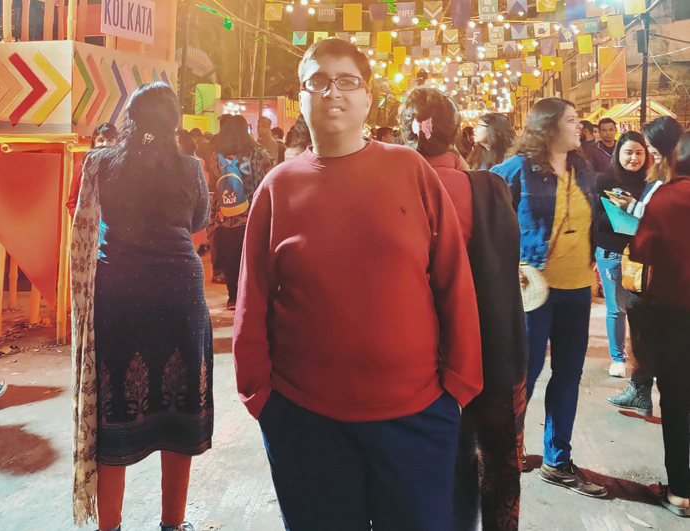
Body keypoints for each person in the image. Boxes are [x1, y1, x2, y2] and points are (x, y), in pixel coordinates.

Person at [233, 38, 483, 531]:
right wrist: (259, 396)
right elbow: (252, 296)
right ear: (301, 98)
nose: (332, 93)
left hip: (417, 416)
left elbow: (454, 279)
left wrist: (457, 387)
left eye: (347, 81)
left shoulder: (410, 170)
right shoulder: (278, 187)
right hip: (305, 420)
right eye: (317, 82)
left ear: (368, 97)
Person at [70, 83, 213, 531]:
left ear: (129, 116)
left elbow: (85, 219)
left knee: (114, 408)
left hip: (120, 296)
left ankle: (108, 526)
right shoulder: (191, 169)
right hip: (179, 295)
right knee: (180, 405)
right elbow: (198, 221)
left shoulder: (99, 162)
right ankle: (173, 524)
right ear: (173, 123)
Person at [402, 88, 528, 531]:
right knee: (496, 468)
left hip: (425, 358)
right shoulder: (490, 188)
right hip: (493, 348)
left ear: (406, 133)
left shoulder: (399, 193)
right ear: (457, 134)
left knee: (439, 466)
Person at [492, 97, 607, 498]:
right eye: (572, 121)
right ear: (549, 128)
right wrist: (508, 267)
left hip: (577, 289)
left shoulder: (584, 169)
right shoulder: (515, 170)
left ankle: (557, 460)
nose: (581, 127)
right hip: (534, 292)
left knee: (569, 375)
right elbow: (487, 218)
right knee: (525, 375)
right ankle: (508, 451)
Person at [626, 132, 690, 517]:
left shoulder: (667, 197)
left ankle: (681, 492)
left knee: (679, 401)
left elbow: (642, 249)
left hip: (675, 314)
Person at [606, 116, 685, 415]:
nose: (644, 154)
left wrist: (630, 210)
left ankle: (642, 392)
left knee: (648, 335)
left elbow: (646, 233)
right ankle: (640, 390)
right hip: (666, 282)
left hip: (660, 281)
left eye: (649, 148)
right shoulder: (663, 181)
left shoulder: (667, 186)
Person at [593, 131, 651, 378]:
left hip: (644, 256)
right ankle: (618, 357)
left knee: (643, 309)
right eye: (628, 152)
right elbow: (595, 219)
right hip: (613, 252)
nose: (634, 158)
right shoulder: (604, 180)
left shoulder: (651, 182)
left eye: (639, 152)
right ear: (618, 153)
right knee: (617, 308)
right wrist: (623, 215)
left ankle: (644, 360)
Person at [209, 114, 272, 310]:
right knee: (253, 255)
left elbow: (215, 182)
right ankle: (251, 295)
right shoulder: (259, 152)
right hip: (252, 213)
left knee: (230, 255)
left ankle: (233, 297)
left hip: (225, 215)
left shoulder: (216, 155)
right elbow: (269, 177)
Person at [66, 123, 118, 219]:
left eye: (110, 140)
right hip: (87, 226)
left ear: (117, 142)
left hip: (115, 225)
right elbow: (72, 203)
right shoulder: (79, 168)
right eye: (101, 140)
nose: (105, 144)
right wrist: (82, 217)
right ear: (94, 142)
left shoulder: (123, 167)